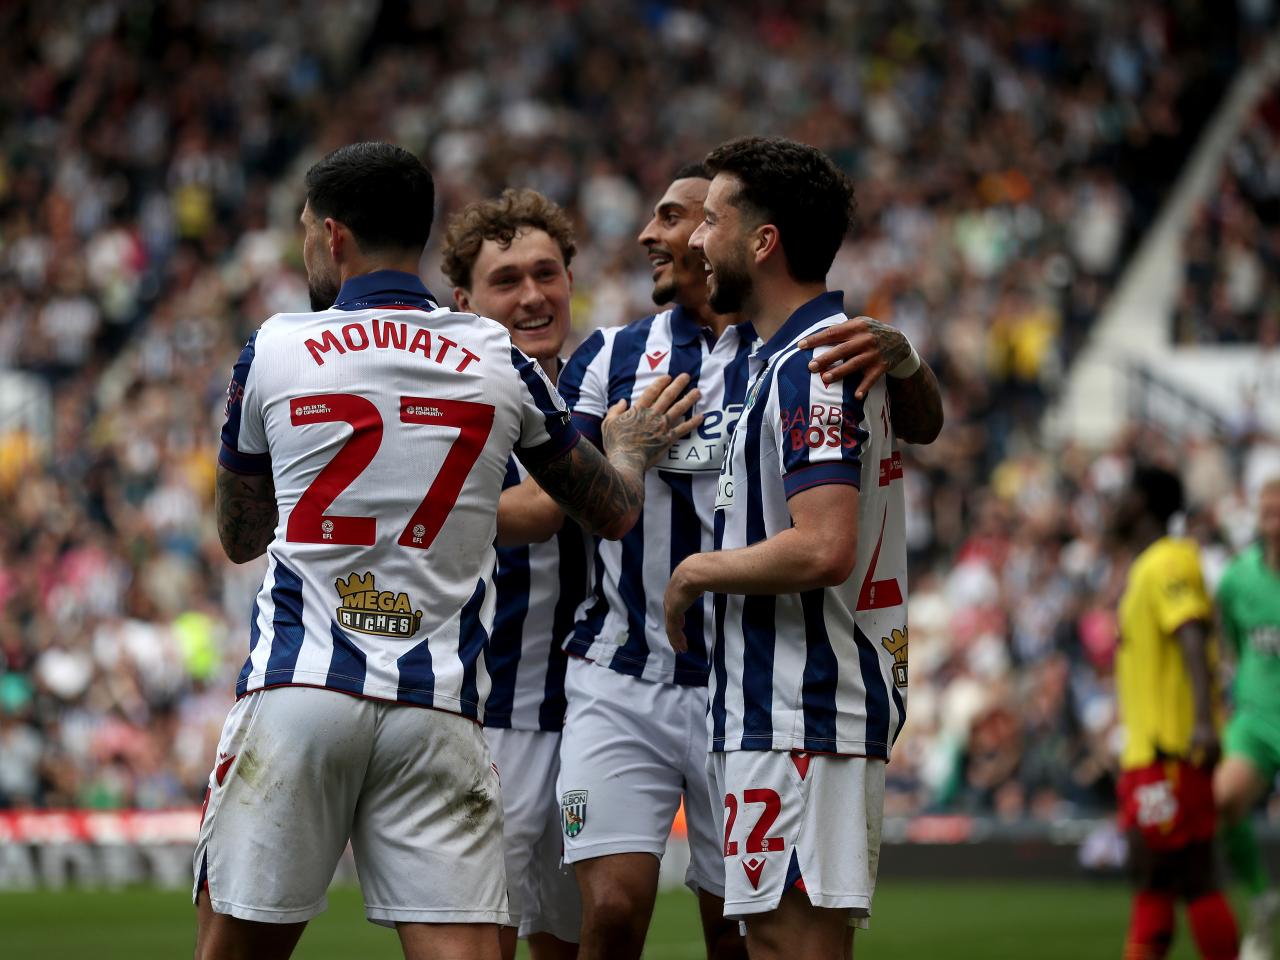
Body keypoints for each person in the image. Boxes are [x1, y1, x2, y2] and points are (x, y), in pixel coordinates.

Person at [198, 142, 701, 960]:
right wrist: (630, 451)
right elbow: (608, 511)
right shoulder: (495, 356)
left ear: (332, 237)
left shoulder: (275, 346)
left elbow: (239, 536)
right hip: (439, 704)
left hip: (302, 687)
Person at [511, 160, 941, 960]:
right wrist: (624, 455)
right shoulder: (613, 354)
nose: (654, 234)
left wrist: (906, 358)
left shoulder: (798, 353)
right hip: (623, 672)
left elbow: (902, 441)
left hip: (749, 684)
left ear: (741, 239)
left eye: (684, 216)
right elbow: (551, 506)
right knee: (612, 911)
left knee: (746, 933)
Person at [661, 135, 909, 960]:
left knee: (795, 946)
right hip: (772, 713)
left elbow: (826, 546)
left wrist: (696, 571)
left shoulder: (814, 365)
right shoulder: (786, 360)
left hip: (805, 711)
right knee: (770, 941)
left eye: (713, 221)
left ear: (762, 243)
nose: (697, 239)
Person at [440, 188, 587, 960]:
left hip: (591, 716)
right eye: (507, 281)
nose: (533, 295)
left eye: (547, 272)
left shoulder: (603, 381)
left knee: (576, 938)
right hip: (484, 716)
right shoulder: (448, 399)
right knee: (483, 938)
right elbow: (540, 510)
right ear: (464, 300)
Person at [1112, 465, 1239, 960]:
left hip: (1173, 750)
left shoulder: (1167, 562)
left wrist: (1205, 724)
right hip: (1152, 751)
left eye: (1124, 493)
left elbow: (1190, 632)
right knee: (1155, 877)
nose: (1116, 504)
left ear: (1142, 501)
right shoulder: (1148, 565)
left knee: (1192, 875)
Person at [1216, 475, 1280, 960]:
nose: (1271, 513)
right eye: (1266, 505)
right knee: (1223, 799)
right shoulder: (1238, 579)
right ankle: (1261, 899)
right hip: (1257, 719)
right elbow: (1233, 645)